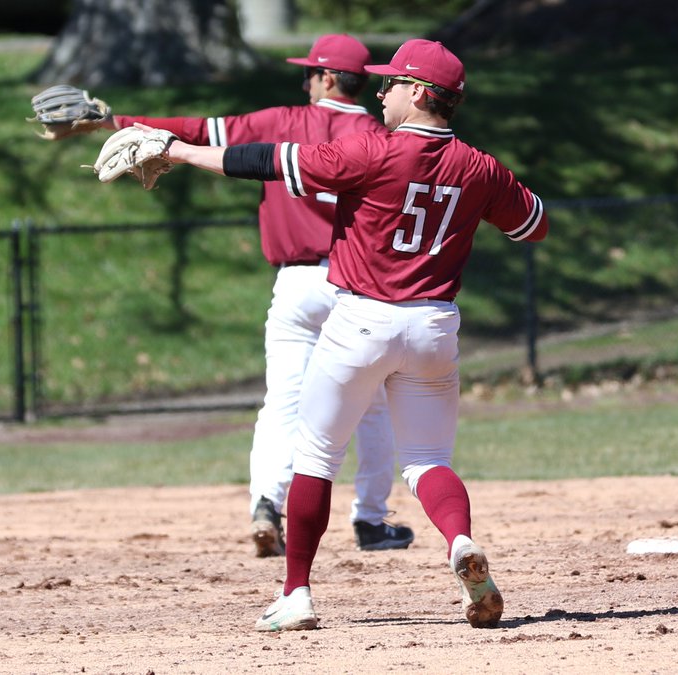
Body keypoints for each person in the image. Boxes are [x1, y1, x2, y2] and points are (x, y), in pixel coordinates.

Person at [157, 38, 550, 631]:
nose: (382, 93)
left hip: (362, 321)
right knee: (426, 460)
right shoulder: (480, 166)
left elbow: (267, 161)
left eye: (392, 83)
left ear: (420, 92)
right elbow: (534, 226)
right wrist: (483, 194)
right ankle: (460, 540)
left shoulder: (371, 150)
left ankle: (296, 595)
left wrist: (182, 152)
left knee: (316, 457)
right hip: (434, 327)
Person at [99, 34, 415, 557]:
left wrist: (115, 121)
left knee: (283, 400)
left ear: (327, 78)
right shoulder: (378, 136)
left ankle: (267, 502)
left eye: (310, 73)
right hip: (358, 285)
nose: (306, 82)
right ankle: (371, 521)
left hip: (296, 284)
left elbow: (198, 130)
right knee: (373, 405)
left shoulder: (283, 121)